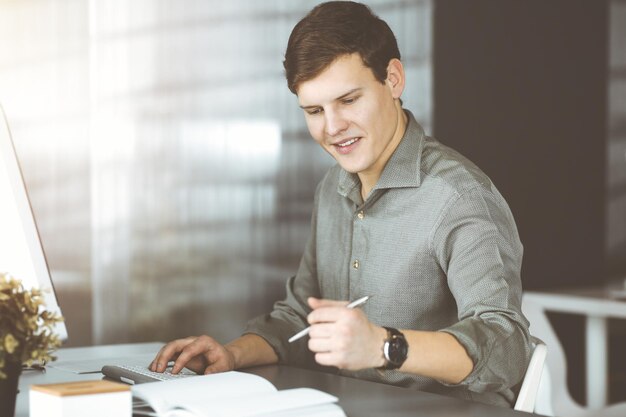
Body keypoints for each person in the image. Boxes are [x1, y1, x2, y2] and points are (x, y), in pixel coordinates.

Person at [150, 1, 532, 408]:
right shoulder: (332, 188)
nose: (332, 128)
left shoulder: (459, 196)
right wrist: (231, 353)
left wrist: (385, 347)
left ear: (394, 79)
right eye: (314, 110)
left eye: (348, 100)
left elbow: (506, 347)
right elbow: (299, 319)